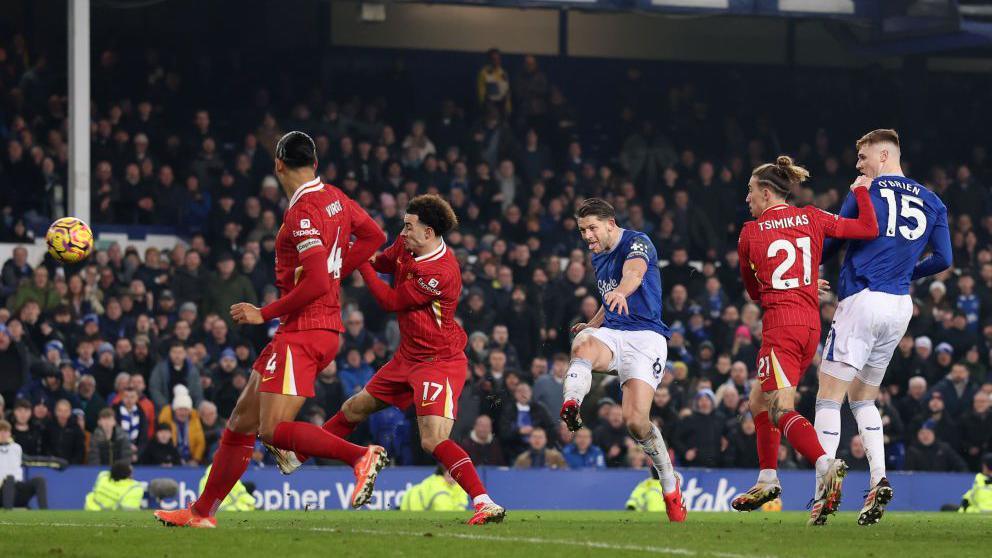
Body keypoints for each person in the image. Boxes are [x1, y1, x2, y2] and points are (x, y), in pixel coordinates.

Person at [155, 131, 386, 528]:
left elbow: (314, 282)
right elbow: (375, 237)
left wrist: (265, 312)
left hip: (305, 329)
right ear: (313, 162)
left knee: (274, 431)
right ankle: (201, 513)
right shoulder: (335, 198)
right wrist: (337, 272)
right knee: (240, 423)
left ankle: (359, 456)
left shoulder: (302, 212)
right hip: (311, 327)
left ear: (278, 164)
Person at [274, 194, 506, 525]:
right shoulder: (408, 243)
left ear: (428, 233)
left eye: (409, 226)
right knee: (354, 408)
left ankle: (483, 501)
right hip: (407, 357)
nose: (403, 230)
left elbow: (390, 299)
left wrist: (361, 260)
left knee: (432, 440)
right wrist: (340, 257)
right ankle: (296, 456)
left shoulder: (442, 272)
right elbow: (383, 262)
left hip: (437, 361)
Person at [815, 129, 952, 526]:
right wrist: (911, 272)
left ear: (884, 155)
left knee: (828, 397)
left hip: (861, 298)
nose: (858, 165)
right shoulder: (933, 201)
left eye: (862, 156)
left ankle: (824, 490)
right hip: (899, 306)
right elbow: (943, 258)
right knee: (863, 398)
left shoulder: (866, 190)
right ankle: (878, 479)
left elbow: (836, 239)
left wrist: (810, 272)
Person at [733, 155, 879, 526]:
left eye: (750, 191)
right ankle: (767, 478)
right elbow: (867, 228)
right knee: (758, 399)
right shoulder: (813, 216)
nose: (747, 197)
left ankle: (826, 466)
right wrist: (861, 192)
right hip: (810, 325)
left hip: (780, 327)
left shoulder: (750, 233)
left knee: (781, 409)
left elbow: (754, 292)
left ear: (766, 193)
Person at [559, 197, 687, 522]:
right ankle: (571, 404)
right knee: (583, 342)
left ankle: (670, 487)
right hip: (614, 334)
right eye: (582, 230)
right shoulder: (597, 256)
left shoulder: (637, 241)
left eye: (592, 228)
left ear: (610, 224)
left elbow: (634, 273)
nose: (587, 236)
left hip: (646, 338)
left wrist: (622, 291)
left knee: (635, 421)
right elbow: (609, 299)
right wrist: (593, 325)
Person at [0, 419, 47, 510]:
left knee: (39, 480)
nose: (3, 434)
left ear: (10, 433)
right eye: (0, 431)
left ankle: (45, 513)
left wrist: (55, 461)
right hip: (1, 489)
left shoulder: (16, 448)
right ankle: (8, 514)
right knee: (9, 479)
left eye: (5, 431)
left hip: (17, 490)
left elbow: (31, 460)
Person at [400, 465, 469, 511]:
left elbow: (461, 507)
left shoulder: (460, 487)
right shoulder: (437, 485)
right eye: (448, 469)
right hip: (410, 507)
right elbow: (444, 511)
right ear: (442, 471)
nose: (451, 473)